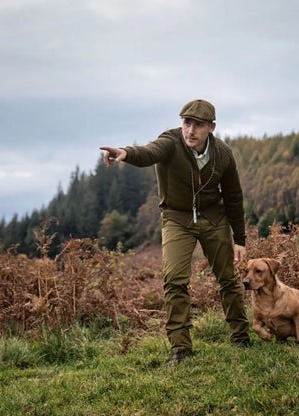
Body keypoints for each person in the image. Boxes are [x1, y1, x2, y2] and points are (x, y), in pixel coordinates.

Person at [100, 99, 250, 365]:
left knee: (228, 279)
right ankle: (181, 348)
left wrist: (239, 239)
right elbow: (149, 152)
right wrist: (126, 152)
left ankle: (240, 337)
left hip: (214, 219)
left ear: (211, 127)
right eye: (186, 123)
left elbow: (234, 196)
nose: (190, 130)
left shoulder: (223, 154)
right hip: (177, 218)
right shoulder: (170, 141)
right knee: (174, 280)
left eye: (198, 125)